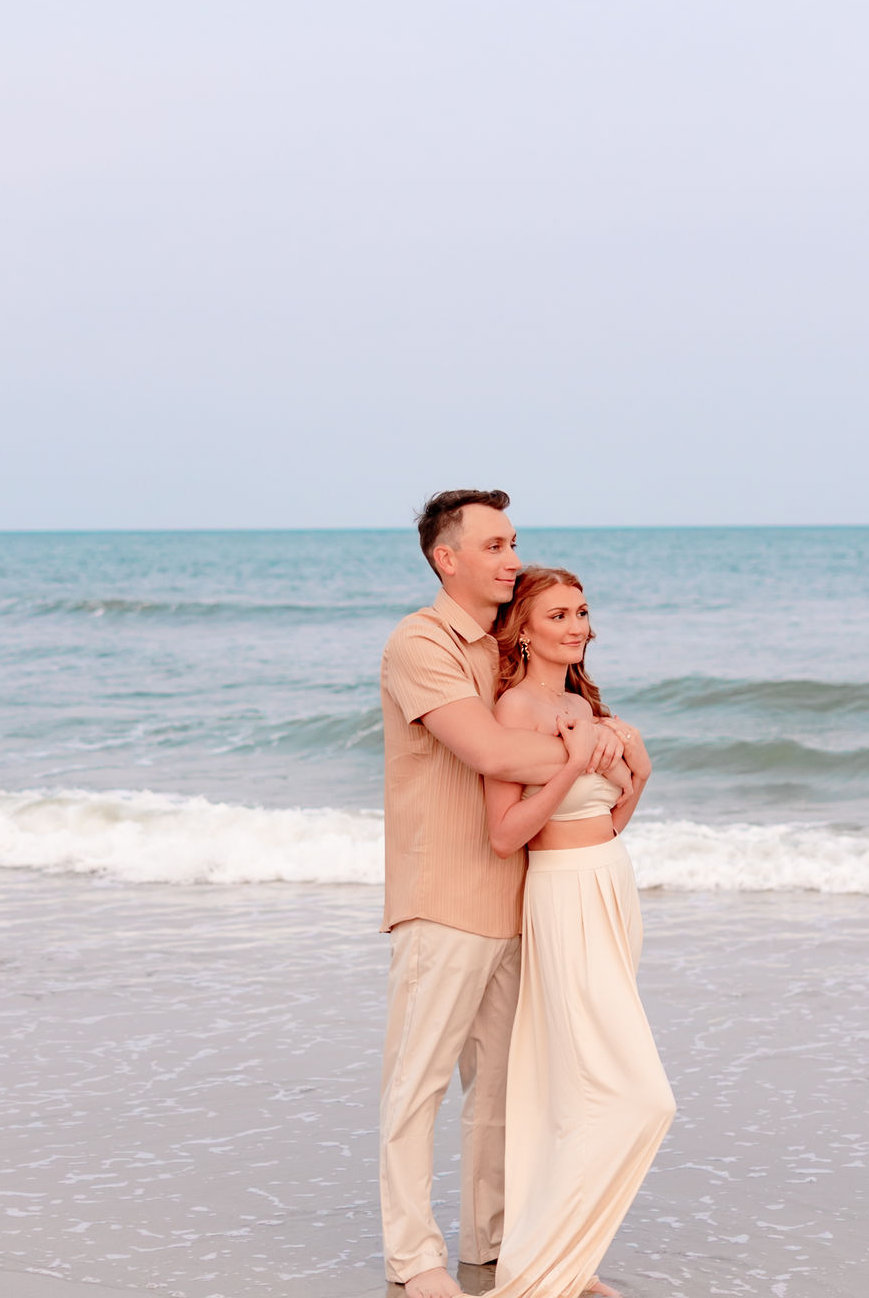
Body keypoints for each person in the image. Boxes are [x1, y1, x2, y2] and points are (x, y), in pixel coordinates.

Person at [379, 493, 628, 1298]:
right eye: (493, 545)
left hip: (521, 898)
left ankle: (499, 1249)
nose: (512, 558)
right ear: (446, 558)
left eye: (513, 542)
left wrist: (598, 742)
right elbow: (490, 751)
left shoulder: (504, 648)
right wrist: (595, 747)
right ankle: (413, 1258)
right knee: (418, 1083)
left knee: (504, 1092)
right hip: (444, 895)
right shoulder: (422, 642)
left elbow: (548, 733)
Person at [476, 567, 676, 1298]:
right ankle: (542, 1265)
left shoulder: (581, 705)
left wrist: (639, 774)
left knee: (583, 1084)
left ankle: (568, 1259)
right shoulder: (514, 710)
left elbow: (610, 820)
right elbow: (506, 835)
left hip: (611, 886)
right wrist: (569, 764)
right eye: (558, 614)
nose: (577, 626)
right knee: (640, 1095)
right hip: (563, 895)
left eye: (583, 612)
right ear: (523, 628)